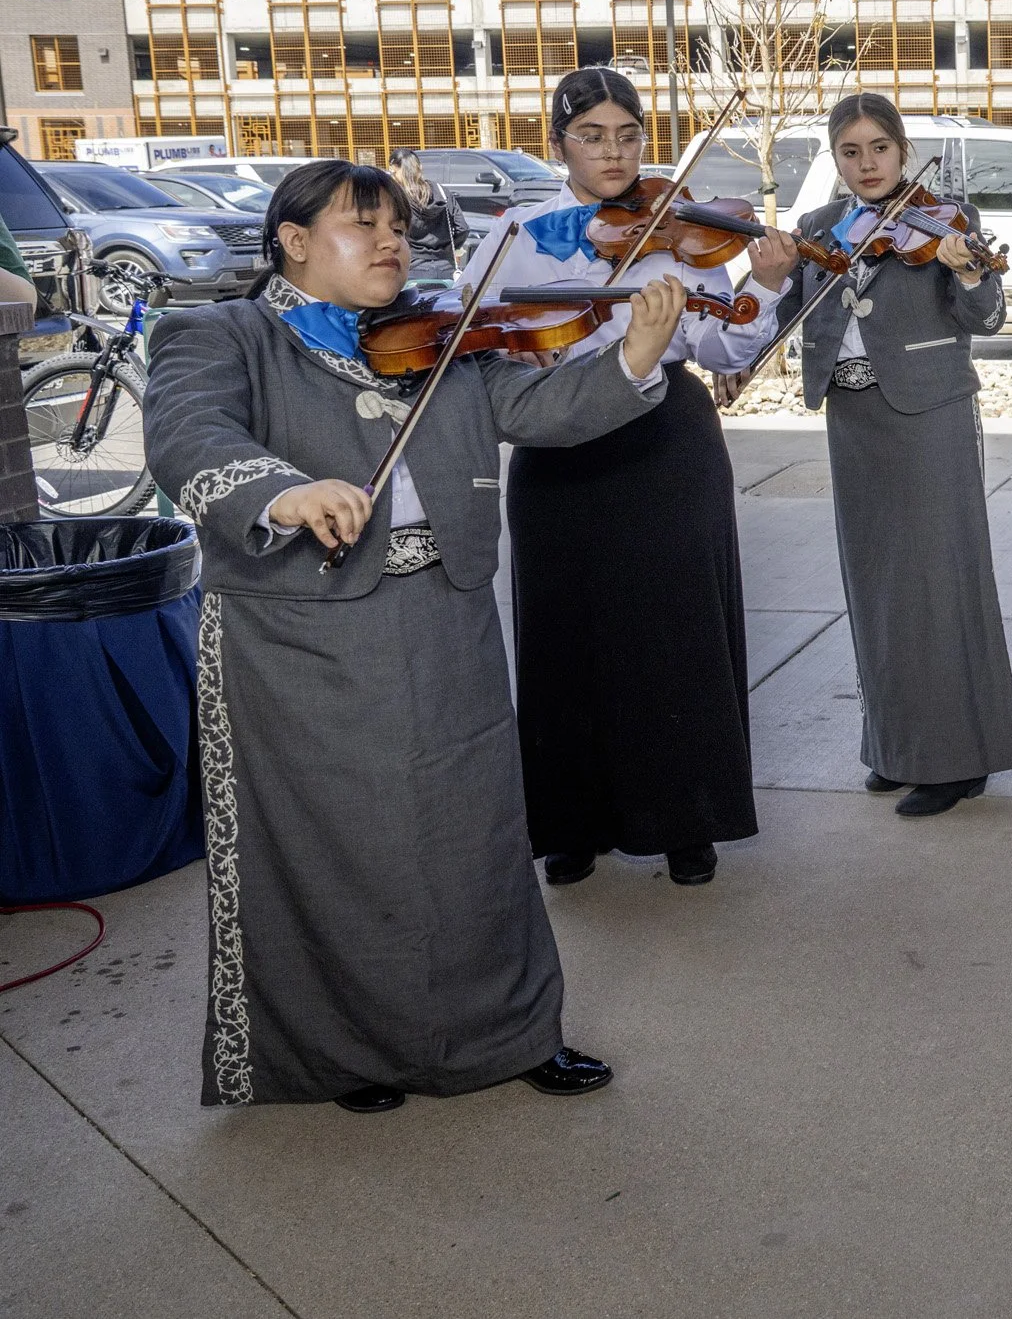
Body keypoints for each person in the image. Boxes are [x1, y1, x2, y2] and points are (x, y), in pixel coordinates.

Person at [142, 159, 685, 1111]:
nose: (391, 240)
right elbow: (189, 437)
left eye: (397, 224)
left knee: (474, 835)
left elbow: (540, 409)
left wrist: (634, 354)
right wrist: (285, 490)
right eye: (362, 225)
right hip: (303, 637)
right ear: (295, 240)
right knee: (344, 848)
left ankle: (511, 1032)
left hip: (445, 612)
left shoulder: (442, 338)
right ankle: (350, 1048)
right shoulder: (220, 332)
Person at [457, 67, 804, 888]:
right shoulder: (515, 231)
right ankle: (572, 825)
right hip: (558, 442)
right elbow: (480, 336)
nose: (612, 152)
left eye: (626, 135)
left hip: (664, 444)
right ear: (558, 146)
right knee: (563, 632)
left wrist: (764, 282)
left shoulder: (677, 225)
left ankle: (687, 817)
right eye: (592, 136)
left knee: (675, 631)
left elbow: (724, 347)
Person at [775, 93, 1012, 817]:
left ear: (902, 147)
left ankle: (956, 762)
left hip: (927, 415)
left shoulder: (949, 220)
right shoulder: (821, 227)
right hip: (853, 417)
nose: (867, 164)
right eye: (850, 151)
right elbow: (797, 315)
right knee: (876, 586)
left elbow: (987, 316)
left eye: (879, 148)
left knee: (936, 584)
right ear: (836, 158)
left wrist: (972, 273)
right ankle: (896, 746)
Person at [392, 148, 472, 283]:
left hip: (412, 269)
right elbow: (462, 227)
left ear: (397, 170)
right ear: (420, 168)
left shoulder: (397, 198)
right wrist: (449, 249)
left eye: (393, 172)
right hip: (446, 269)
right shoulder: (442, 192)